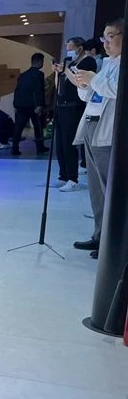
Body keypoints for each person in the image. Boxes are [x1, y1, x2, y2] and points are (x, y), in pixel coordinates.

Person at [67, 18, 122, 259]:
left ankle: (113, 242)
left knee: (108, 188)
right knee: (96, 188)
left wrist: (93, 79)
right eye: (104, 38)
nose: (106, 42)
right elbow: (91, 95)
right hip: (91, 123)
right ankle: (100, 235)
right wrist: (83, 84)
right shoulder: (108, 63)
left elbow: (116, 90)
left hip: (107, 131)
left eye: (110, 37)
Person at [51, 37, 97, 192]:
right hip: (61, 105)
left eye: (70, 48)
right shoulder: (70, 64)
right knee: (60, 143)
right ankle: (63, 174)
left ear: (79, 48)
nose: (68, 50)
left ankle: (72, 178)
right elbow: (59, 86)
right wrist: (58, 72)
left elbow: (79, 83)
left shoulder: (88, 62)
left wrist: (66, 70)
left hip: (74, 107)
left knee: (69, 143)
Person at [11, 53, 50, 156]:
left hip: (20, 105)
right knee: (38, 127)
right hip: (33, 106)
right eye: (42, 61)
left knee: (18, 128)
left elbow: (17, 90)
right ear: (40, 61)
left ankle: (14, 148)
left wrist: (15, 104)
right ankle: (40, 148)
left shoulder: (23, 75)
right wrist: (40, 105)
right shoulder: (39, 74)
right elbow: (39, 90)